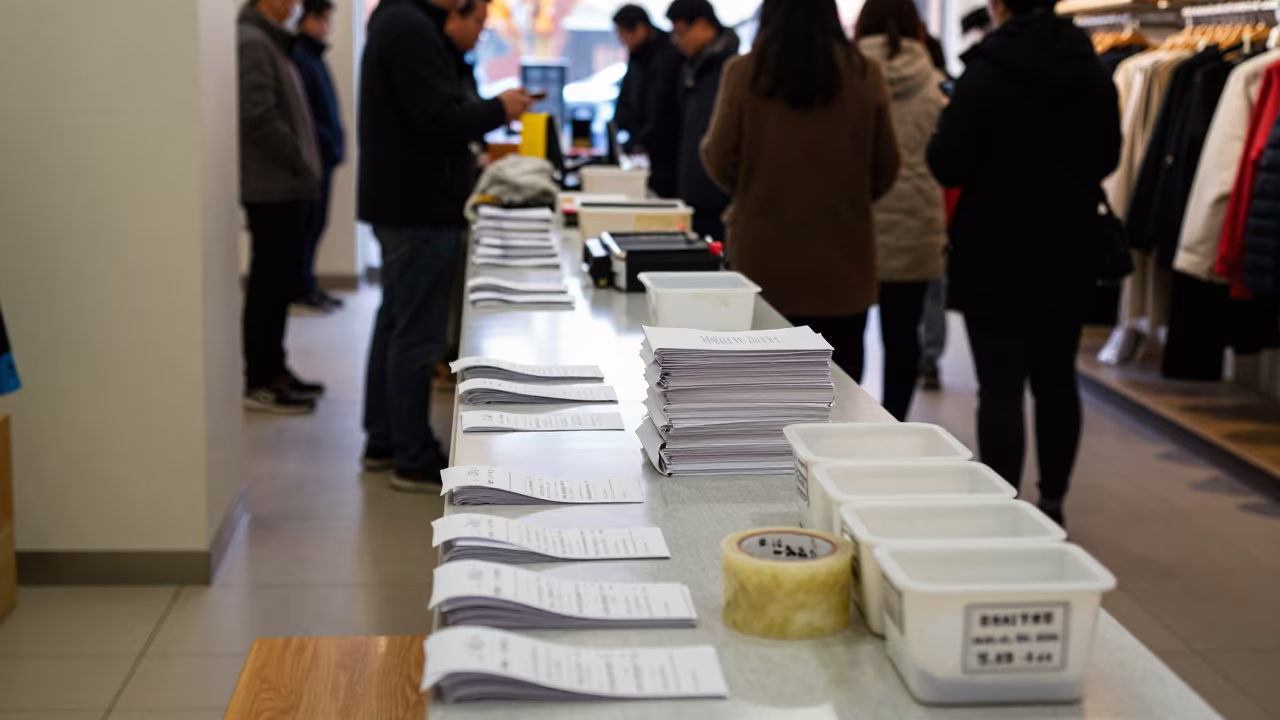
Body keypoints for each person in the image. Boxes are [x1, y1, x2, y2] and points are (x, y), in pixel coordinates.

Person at [927, 0, 1121, 525]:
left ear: (998, 6)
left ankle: (1004, 507)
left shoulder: (986, 71)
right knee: (1058, 379)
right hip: (1068, 243)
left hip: (994, 247)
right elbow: (1109, 156)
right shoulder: (1089, 68)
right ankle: (1053, 501)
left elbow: (946, 163)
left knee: (1000, 386)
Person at [359, 0, 534, 492]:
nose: (480, 31)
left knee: (396, 319)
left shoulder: (402, 22)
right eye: (478, 20)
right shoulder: (412, 29)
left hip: (404, 202)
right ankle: (411, 454)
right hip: (418, 206)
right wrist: (499, 108)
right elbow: (438, 118)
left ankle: (384, 438)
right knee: (416, 333)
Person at [701, 0, 900, 380]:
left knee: (763, 399)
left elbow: (718, 157)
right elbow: (887, 167)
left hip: (763, 265)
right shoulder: (865, 74)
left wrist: (755, 186)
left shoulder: (744, 73)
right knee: (837, 401)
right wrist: (845, 198)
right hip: (844, 267)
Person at [853, 0, 947, 422]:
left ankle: (842, 428)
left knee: (844, 334)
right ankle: (893, 427)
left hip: (851, 223)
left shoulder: (844, 79)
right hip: (915, 224)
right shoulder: (935, 84)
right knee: (903, 337)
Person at [237, 0, 325, 414]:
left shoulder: (268, 41)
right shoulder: (253, 41)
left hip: (285, 186)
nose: (293, 5)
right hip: (272, 187)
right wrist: (299, 158)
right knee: (268, 286)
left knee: (276, 284)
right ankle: (261, 379)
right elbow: (256, 116)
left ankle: (276, 370)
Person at [666, 0, 739, 241]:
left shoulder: (732, 69)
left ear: (702, 25)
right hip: (691, 190)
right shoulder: (692, 66)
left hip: (717, 196)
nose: (677, 41)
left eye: (681, 32)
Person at [292, 0, 346, 314]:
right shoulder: (301, 57)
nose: (327, 26)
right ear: (309, 20)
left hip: (324, 156)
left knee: (316, 224)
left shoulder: (313, 57)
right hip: (315, 159)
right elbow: (307, 117)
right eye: (323, 20)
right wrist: (325, 142)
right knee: (308, 227)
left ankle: (308, 284)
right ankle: (302, 287)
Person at [613, 4, 682, 198]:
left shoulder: (668, 53)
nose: (623, 40)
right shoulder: (636, 55)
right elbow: (626, 94)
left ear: (641, 28)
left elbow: (661, 107)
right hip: (643, 145)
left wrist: (640, 141)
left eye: (625, 34)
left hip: (665, 149)